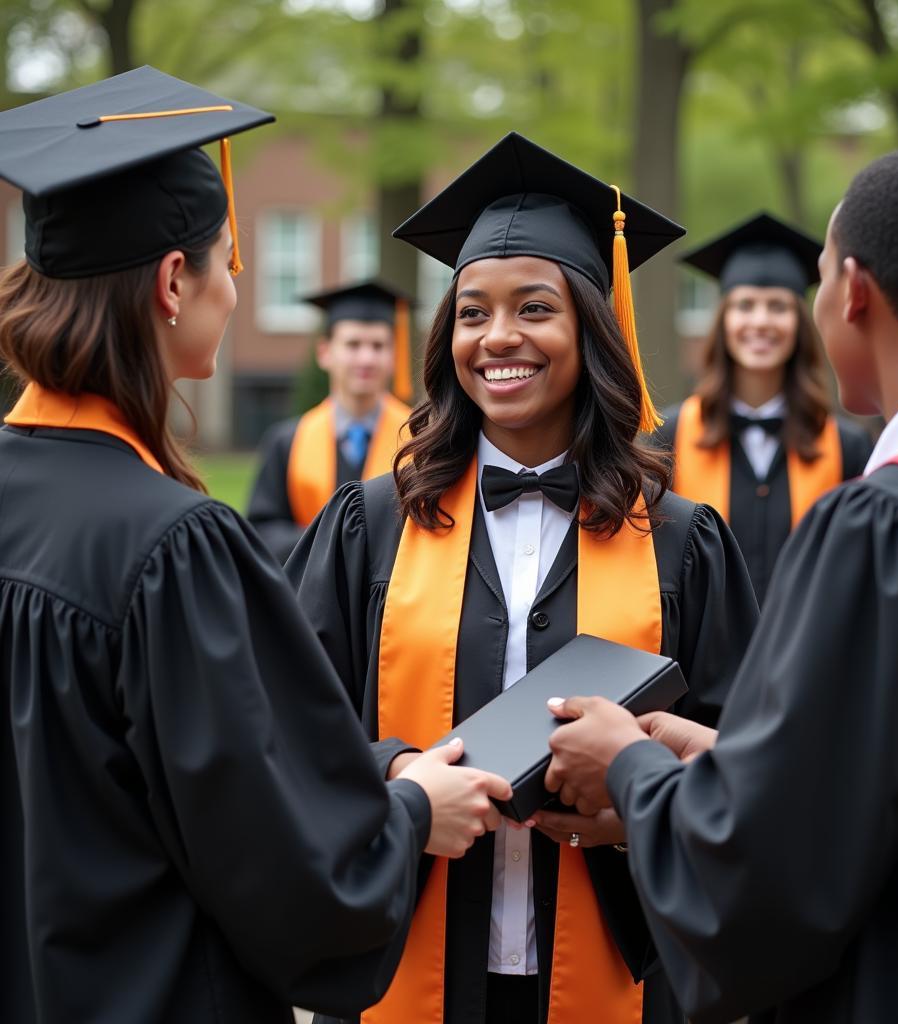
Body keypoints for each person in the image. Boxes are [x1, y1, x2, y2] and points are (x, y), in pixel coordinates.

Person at [0, 67, 510, 1024]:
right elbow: (279, 865)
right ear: (170, 283)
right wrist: (408, 816)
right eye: (228, 262)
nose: (235, 290)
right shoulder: (168, 547)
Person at [286, 132, 759, 1024]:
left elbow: (750, 769)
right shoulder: (369, 527)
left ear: (590, 324)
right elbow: (291, 731)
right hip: (409, 964)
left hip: (620, 970)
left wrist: (637, 791)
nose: (499, 337)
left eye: (534, 308)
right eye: (472, 313)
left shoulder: (682, 543)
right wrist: (405, 779)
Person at [544, 143, 898, 1023]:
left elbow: (777, 860)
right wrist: (731, 761)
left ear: (853, 293)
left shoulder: (889, 526)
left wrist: (636, 769)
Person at [655, 213, 873, 602]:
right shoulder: (670, 437)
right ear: (723, 320)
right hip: (702, 659)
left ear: (799, 322)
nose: (760, 321)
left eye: (777, 307)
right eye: (744, 305)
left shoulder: (847, 447)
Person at [248, 280, 414, 562]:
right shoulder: (288, 441)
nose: (366, 358)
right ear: (325, 353)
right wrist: (335, 541)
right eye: (353, 345)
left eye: (378, 346)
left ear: (393, 355)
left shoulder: (420, 439)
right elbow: (262, 532)